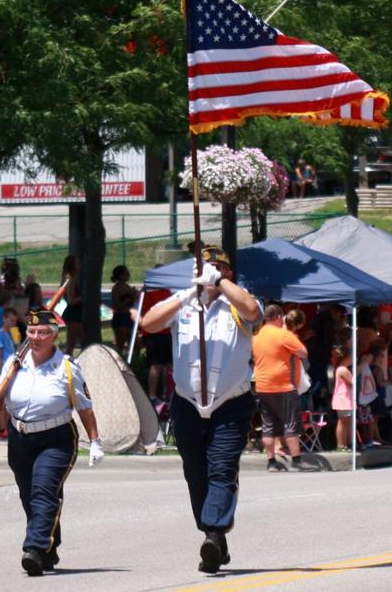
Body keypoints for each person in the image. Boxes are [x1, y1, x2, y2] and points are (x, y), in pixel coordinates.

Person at [139, 245, 262, 574]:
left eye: (216, 267)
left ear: (227, 272)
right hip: (188, 403)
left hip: (230, 404)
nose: (208, 272)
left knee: (221, 469)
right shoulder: (183, 302)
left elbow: (252, 311)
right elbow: (148, 324)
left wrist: (220, 283)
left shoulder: (237, 302)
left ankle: (212, 531)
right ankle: (215, 538)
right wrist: (186, 295)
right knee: (196, 473)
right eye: (204, 267)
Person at [0, 308, 104, 576]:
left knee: (43, 492)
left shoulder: (67, 367)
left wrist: (95, 441)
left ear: (54, 336)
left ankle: (34, 548)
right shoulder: (15, 363)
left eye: (43, 332)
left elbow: (84, 407)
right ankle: (49, 547)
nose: (35, 336)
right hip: (20, 437)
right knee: (30, 496)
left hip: (56, 438)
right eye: (31, 331)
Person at [251, 304, 315, 472]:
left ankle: (271, 462)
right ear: (279, 316)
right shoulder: (283, 334)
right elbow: (303, 352)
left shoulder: (257, 336)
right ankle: (297, 460)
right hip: (284, 386)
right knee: (290, 423)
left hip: (263, 386)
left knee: (268, 425)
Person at [0, 308, 20, 437]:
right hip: (4, 372)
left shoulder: (13, 333)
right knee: (2, 402)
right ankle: (2, 428)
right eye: (11, 320)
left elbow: (18, 351)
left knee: (11, 400)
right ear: (5, 319)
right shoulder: (0, 334)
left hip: (14, 370)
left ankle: (9, 426)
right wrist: (5, 370)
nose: (13, 323)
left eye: (15, 321)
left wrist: (18, 341)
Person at [109, 265, 137, 358]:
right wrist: (128, 299)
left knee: (132, 342)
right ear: (121, 275)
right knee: (121, 345)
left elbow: (134, 301)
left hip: (128, 316)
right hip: (120, 317)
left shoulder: (127, 286)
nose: (129, 274)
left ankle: (132, 360)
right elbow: (116, 306)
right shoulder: (116, 288)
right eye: (126, 273)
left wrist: (135, 295)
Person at [332, 346, 355, 449]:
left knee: (345, 423)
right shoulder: (342, 370)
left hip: (345, 399)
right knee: (342, 422)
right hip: (343, 400)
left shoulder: (342, 369)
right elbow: (351, 383)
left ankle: (344, 443)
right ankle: (341, 444)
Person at [60, 255, 83, 355]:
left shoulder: (74, 278)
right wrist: (85, 297)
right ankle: (66, 365)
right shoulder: (70, 279)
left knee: (78, 342)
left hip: (77, 312)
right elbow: (71, 300)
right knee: (72, 343)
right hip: (74, 313)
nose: (80, 266)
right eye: (77, 264)